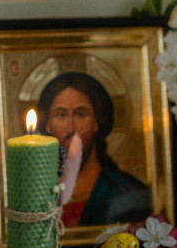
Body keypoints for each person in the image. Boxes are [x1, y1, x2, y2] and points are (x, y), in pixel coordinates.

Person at [37, 71, 151, 227]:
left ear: (97, 122)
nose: (71, 128)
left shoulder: (129, 194)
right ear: (47, 125)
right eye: (61, 115)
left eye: (80, 114)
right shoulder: (35, 195)